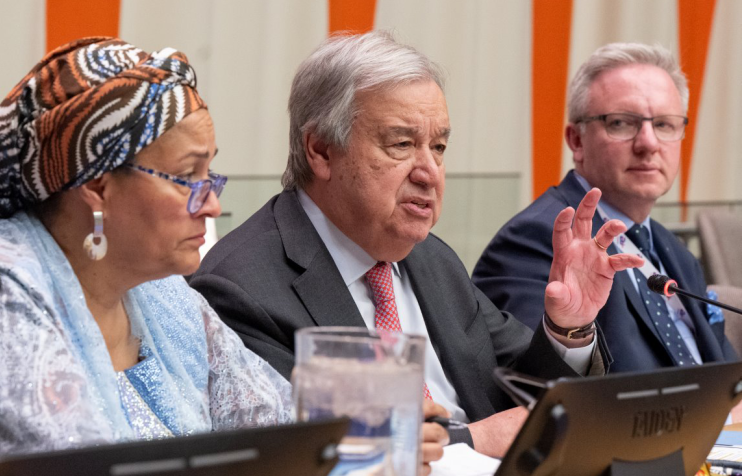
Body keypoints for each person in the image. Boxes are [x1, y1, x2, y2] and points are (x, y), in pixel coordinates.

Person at [190, 31, 643, 458]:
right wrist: (474, 440)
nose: (429, 173)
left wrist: (568, 328)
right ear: (322, 151)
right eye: (402, 144)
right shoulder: (242, 286)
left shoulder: (430, 257)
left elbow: (527, 393)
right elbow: (313, 449)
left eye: (440, 147)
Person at [0, 38, 297, 476]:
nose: (213, 205)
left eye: (209, 174)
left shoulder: (163, 294)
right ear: (97, 186)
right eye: (185, 177)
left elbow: (285, 433)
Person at [472, 43, 737, 373]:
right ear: (577, 141)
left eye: (665, 125)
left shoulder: (674, 251)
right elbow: (532, 388)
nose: (649, 143)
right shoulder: (535, 240)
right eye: (621, 123)